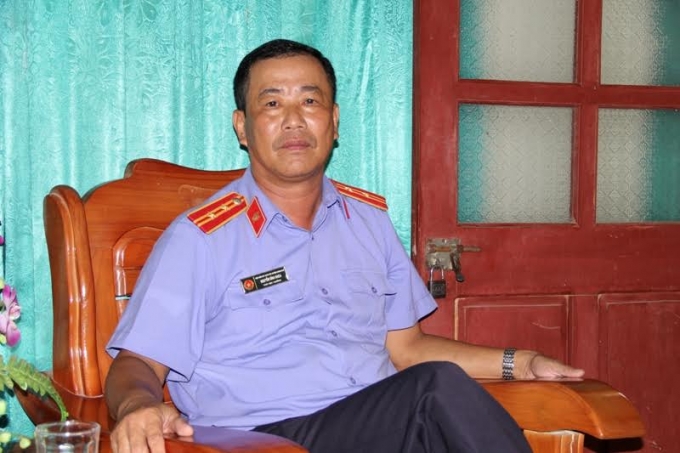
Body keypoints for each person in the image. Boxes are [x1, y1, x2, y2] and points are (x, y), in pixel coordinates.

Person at [105, 38, 584, 453]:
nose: (294, 120)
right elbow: (137, 361)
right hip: (264, 438)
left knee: (436, 398)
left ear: (333, 122)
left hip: (374, 424)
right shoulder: (202, 238)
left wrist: (521, 362)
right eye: (272, 104)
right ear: (242, 127)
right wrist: (138, 406)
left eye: (310, 101)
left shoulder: (369, 223)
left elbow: (408, 349)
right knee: (434, 392)